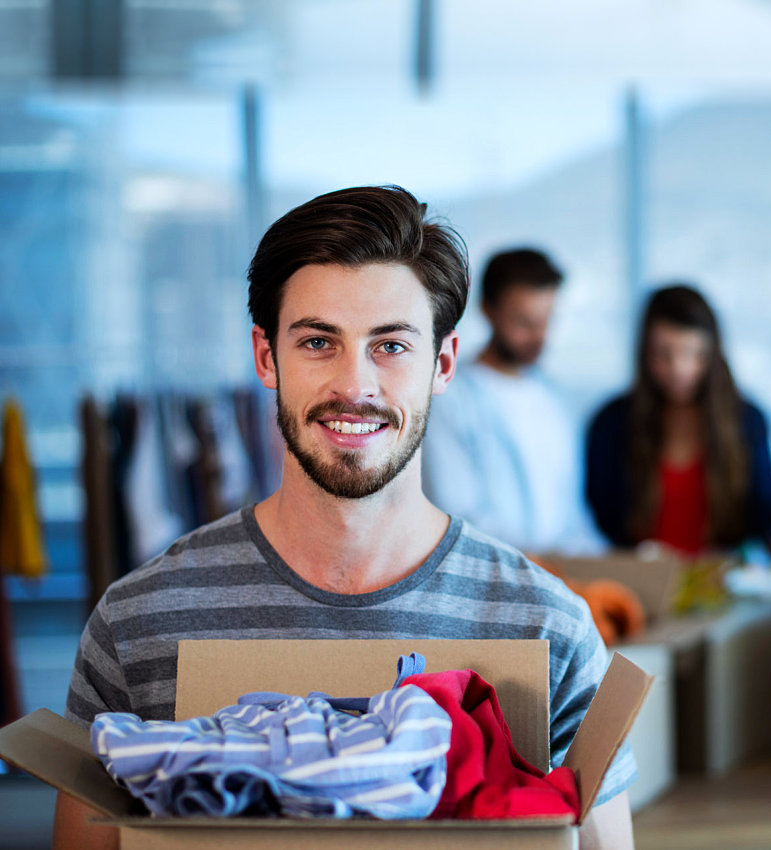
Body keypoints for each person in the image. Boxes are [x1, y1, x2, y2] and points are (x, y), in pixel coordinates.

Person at [54, 187, 635, 849]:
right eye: (318, 342)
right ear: (267, 357)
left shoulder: (548, 630)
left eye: (390, 346)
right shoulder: (138, 626)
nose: (355, 385)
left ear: (441, 364)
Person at [421, 248, 601, 554]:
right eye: (523, 322)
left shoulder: (555, 401)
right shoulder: (449, 399)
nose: (538, 335)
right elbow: (455, 512)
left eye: (546, 320)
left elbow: (571, 514)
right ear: (488, 310)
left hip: (560, 580)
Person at [586, 285, 771, 557]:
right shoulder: (611, 423)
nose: (680, 369)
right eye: (664, 354)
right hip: (638, 581)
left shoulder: (747, 421)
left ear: (713, 354)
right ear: (644, 352)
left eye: (695, 354)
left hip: (721, 582)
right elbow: (599, 517)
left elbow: (765, 512)